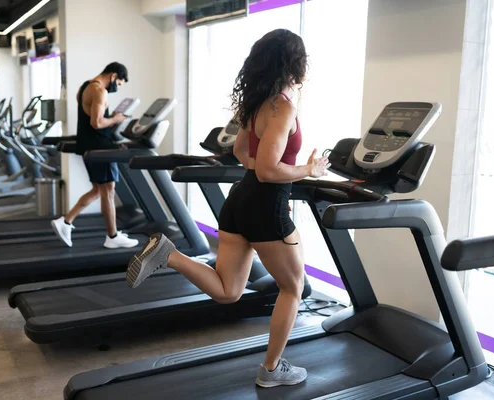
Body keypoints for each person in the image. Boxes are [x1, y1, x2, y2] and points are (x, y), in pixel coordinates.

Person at [126, 30, 330, 388]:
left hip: (240, 200)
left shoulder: (255, 104)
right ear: (294, 62)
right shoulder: (282, 106)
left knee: (228, 290)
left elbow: (240, 153)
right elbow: (268, 171)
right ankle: (271, 370)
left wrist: (267, 166)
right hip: (267, 205)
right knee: (293, 288)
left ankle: (168, 255)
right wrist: (307, 170)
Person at [51, 62, 139, 249]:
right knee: (108, 191)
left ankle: (66, 222)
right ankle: (112, 236)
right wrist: (116, 118)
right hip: (100, 147)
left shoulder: (85, 87)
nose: (117, 87)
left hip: (89, 145)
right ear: (114, 76)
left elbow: (92, 116)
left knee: (99, 190)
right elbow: (97, 123)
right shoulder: (100, 90)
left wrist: (112, 117)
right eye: (119, 83)